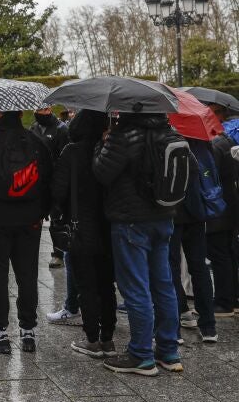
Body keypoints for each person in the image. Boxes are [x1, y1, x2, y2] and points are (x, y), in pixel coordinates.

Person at [93, 112, 182, 375]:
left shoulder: (124, 136)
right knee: (163, 284)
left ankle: (141, 354)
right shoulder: (171, 134)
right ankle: (168, 350)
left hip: (131, 221)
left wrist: (102, 144)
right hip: (164, 217)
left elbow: (101, 172)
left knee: (136, 287)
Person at [0, 111, 53, 354]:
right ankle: (28, 330)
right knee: (27, 274)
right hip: (29, 219)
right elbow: (48, 178)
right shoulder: (36, 141)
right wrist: (42, 210)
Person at [51, 110, 117, 358]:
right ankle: (108, 339)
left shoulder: (72, 151)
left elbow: (58, 190)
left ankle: (92, 339)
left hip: (79, 226)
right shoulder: (109, 149)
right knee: (106, 284)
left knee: (86, 284)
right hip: (108, 226)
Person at [168, 140, 217, 343]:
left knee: (171, 269)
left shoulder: (168, 143)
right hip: (196, 212)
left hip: (172, 213)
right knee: (199, 268)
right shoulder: (200, 145)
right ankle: (208, 327)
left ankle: (175, 326)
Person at [207, 107, 239, 316]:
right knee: (229, 253)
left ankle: (224, 301)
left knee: (219, 254)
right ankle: (232, 298)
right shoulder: (229, 142)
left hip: (218, 208)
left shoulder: (217, 145)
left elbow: (210, 176)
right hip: (231, 205)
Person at [30, 106, 69, 269]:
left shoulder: (61, 129)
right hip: (37, 179)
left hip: (55, 178)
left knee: (56, 217)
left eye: (45, 109)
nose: (42, 112)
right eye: (39, 109)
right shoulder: (33, 128)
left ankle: (58, 253)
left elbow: (65, 156)